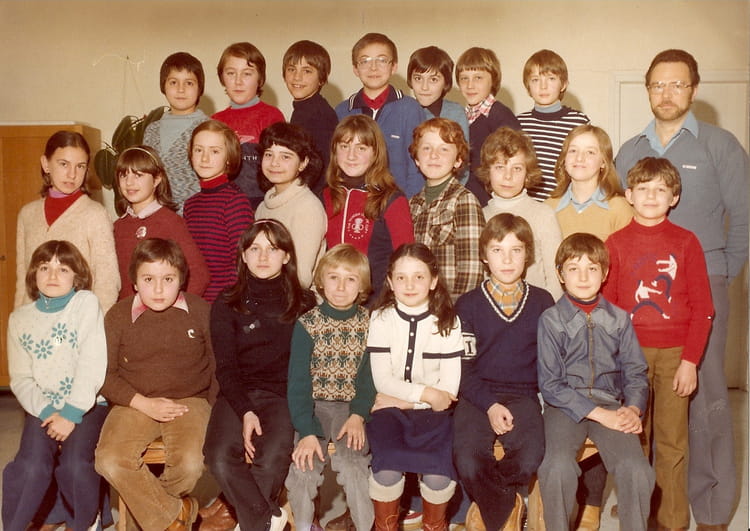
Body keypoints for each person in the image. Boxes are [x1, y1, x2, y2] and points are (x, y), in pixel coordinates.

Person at [614, 49, 748, 530]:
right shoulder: (629, 150)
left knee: (706, 400)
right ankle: (649, 499)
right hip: (643, 298)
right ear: (648, 89)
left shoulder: (719, 145)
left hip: (701, 286)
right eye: (658, 84)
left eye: (677, 84)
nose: (666, 93)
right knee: (644, 400)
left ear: (693, 89)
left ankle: (711, 507)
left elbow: (743, 217)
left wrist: (721, 273)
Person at [602, 157, 714, 529]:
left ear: (674, 197)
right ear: (629, 195)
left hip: (674, 356)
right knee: (634, 437)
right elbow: (609, 310)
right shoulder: (616, 243)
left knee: (672, 441)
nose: (651, 196)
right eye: (643, 189)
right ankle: (636, 512)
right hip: (630, 356)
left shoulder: (686, 242)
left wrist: (690, 361)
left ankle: (672, 519)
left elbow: (703, 308)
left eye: (661, 189)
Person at [95, 238, 216, 531]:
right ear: (135, 281)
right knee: (109, 460)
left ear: (181, 279)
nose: (159, 289)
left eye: (168, 279)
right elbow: (104, 375)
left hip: (190, 400)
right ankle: (177, 514)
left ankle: (155, 517)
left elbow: (218, 368)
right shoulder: (118, 315)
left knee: (190, 464)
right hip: (134, 400)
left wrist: (213, 412)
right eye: (149, 279)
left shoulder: (201, 311)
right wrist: (143, 403)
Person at [536, 233, 654, 531]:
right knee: (557, 468)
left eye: (592, 268)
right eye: (573, 268)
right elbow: (551, 384)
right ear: (560, 275)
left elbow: (636, 372)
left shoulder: (619, 319)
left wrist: (633, 409)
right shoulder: (551, 320)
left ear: (605, 273)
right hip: (564, 407)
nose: (583, 276)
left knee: (637, 470)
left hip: (610, 404)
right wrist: (601, 415)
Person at [204, 220, 317, 531]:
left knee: (272, 458)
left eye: (272, 248)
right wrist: (245, 411)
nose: (263, 257)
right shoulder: (227, 302)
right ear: (243, 255)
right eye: (254, 249)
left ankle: (255, 523)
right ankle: (268, 517)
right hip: (237, 393)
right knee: (218, 456)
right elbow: (226, 367)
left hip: (283, 395)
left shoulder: (305, 303)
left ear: (286, 256)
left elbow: (307, 368)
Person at [454, 214, 554, 530]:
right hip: (476, 394)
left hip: (523, 394)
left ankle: (492, 504)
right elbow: (463, 370)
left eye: (516, 250)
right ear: (484, 256)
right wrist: (490, 405)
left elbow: (548, 362)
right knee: (467, 460)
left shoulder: (542, 301)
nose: (507, 260)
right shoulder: (467, 304)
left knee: (531, 456)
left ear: (528, 255)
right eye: (498, 250)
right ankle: (508, 509)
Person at [3, 241, 107, 531]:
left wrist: (71, 413)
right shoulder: (19, 319)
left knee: (75, 465)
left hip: (86, 404)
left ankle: (84, 522)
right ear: (33, 274)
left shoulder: (85, 304)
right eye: (44, 267)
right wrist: (48, 412)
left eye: (63, 269)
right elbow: (21, 378)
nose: (52, 275)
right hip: (44, 407)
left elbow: (92, 362)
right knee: (31, 466)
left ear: (77, 276)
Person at [366, 243, 463, 531]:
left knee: (438, 477)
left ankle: (435, 525)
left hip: (432, 417)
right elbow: (383, 381)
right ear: (390, 281)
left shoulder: (448, 322)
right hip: (388, 414)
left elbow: (447, 394)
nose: (409, 285)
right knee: (386, 472)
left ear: (433, 281)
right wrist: (428, 394)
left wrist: (407, 401)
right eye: (401, 277)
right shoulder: (381, 319)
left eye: (419, 277)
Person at [285, 244, 376, 531]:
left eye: (350, 279)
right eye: (333, 277)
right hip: (314, 408)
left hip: (351, 410)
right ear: (321, 282)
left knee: (353, 465)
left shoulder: (369, 323)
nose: (341, 286)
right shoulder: (307, 324)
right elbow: (298, 384)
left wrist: (358, 415)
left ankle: (365, 526)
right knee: (304, 467)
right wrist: (307, 431)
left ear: (362, 286)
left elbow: (369, 378)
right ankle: (303, 526)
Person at [15, 130, 119, 311]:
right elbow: (23, 280)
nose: (72, 174)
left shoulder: (95, 214)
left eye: (80, 166)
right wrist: (17, 321)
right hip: (35, 321)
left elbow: (108, 281)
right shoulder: (27, 214)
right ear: (46, 164)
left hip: (77, 321)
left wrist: (94, 323)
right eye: (64, 164)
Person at [323, 114, 414, 303]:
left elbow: (405, 261)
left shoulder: (392, 200)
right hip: (332, 300)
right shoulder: (325, 196)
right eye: (344, 146)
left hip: (376, 303)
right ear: (334, 151)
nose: (351, 156)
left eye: (361, 148)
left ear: (375, 153)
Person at [113, 145, 209, 299]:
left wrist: (175, 308)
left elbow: (199, 274)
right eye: (123, 175)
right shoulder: (117, 226)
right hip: (126, 311)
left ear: (157, 179)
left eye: (138, 175)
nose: (129, 182)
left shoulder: (171, 222)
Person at [335, 32, 424, 198]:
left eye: (382, 60)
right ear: (355, 69)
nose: (373, 68)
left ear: (394, 67)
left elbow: (416, 168)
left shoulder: (410, 109)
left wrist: (408, 204)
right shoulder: (342, 111)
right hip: (354, 202)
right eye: (365, 61)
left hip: (396, 202)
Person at [480, 127, 563, 300]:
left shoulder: (544, 214)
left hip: (537, 310)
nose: (508, 176)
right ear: (488, 172)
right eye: (500, 167)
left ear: (527, 174)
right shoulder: (479, 216)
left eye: (517, 168)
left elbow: (555, 279)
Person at [408, 117, 485, 302]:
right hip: (414, 303)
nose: (434, 155)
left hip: (449, 306)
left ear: (458, 160)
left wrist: (453, 310)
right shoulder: (411, 204)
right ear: (417, 159)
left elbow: (472, 271)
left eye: (444, 149)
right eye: (427, 148)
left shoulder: (464, 200)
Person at [183, 119, 254, 302]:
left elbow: (242, 263)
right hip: (195, 299)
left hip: (223, 302)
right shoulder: (190, 205)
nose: (205, 159)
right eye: (199, 150)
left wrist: (221, 304)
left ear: (229, 157)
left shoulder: (235, 201)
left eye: (214, 151)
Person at [255, 122, 327, 289]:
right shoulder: (262, 207)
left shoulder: (307, 207)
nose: (274, 163)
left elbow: (300, 277)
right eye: (269, 154)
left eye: (285, 157)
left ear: (303, 163)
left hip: (295, 297)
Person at [212, 42, 285, 208]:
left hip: (261, 204)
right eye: (231, 73)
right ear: (222, 78)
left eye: (247, 74)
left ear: (260, 79)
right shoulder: (215, 121)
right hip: (223, 204)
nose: (238, 81)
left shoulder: (272, 116)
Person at [516, 49, 590, 200]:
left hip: (564, 204)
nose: (543, 86)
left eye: (551, 78)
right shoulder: (517, 123)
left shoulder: (579, 122)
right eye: (535, 80)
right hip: (526, 205)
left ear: (563, 84)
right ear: (527, 86)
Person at [143, 51, 208, 214]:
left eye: (189, 83)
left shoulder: (209, 128)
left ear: (200, 88)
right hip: (157, 217)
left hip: (196, 216)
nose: (181, 89)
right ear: (163, 86)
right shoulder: (151, 130)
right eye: (173, 82)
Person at [455, 47, 521, 206]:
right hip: (466, 197)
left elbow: (511, 164)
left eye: (478, 78)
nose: (470, 85)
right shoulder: (461, 116)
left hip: (490, 200)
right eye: (464, 78)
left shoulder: (500, 115)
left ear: (493, 80)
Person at [545, 124, 633, 242]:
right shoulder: (548, 208)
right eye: (573, 150)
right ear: (564, 159)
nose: (579, 158)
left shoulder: (619, 209)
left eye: (590, 152)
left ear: (603, 162)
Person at [406, 45, 470, 185]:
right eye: (418, 78)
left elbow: (463, 165)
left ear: (446, 82)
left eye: (433, 80)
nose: (424, 87)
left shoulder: (455, 113)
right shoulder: (404, 111)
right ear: (410, 80)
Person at [282, 40, 338, 193]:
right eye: (291, 69)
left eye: (307, 71)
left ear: (321, 79)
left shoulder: (321, 114)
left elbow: (322, 170)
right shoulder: (303, 109)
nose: (297, 77)